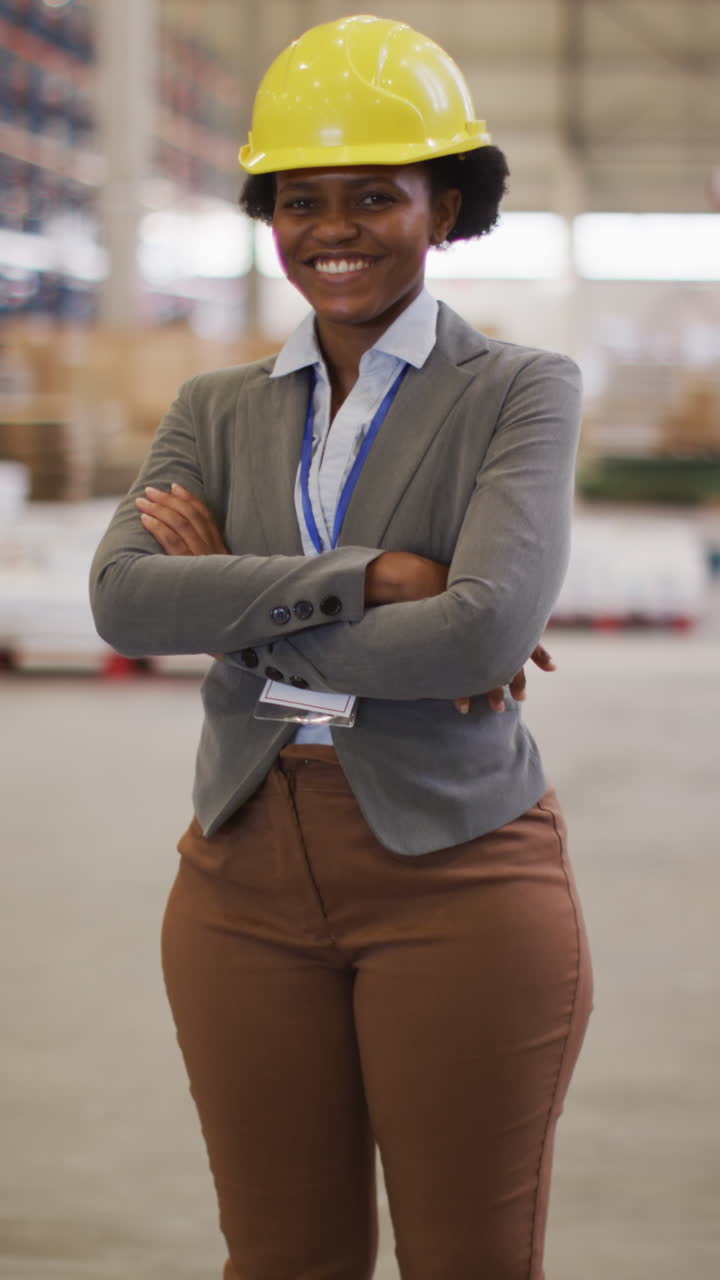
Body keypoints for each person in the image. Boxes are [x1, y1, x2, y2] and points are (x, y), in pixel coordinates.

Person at [90, 15, 593, 1280]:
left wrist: (233, 611)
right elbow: (121, 601)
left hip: (457, 873)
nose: (336, 228)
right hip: (238, 877)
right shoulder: (213, 406)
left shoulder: (521, 390)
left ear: (444, 204)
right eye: (302, 199)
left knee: (467, 1259)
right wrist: (371, 579)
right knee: (280, 1260)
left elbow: (484, 624)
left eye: (377, 194)